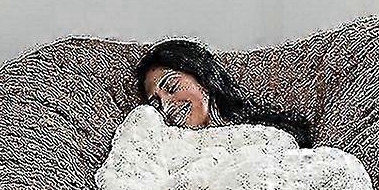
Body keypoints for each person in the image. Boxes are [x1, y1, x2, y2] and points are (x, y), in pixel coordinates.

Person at [134, 38, 315, 148]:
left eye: (172, 87)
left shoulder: (271, 133)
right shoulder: (168, 153)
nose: (166, 107)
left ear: (202, 77)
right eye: (156, 104)